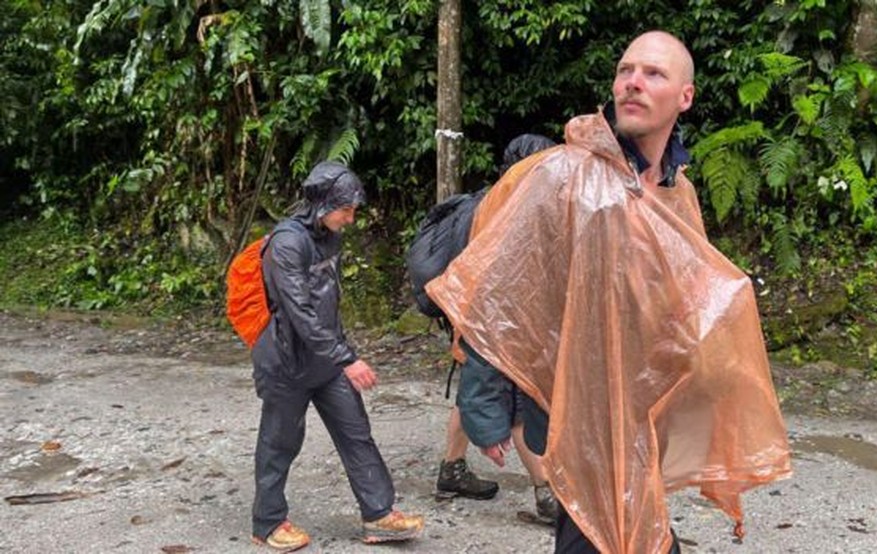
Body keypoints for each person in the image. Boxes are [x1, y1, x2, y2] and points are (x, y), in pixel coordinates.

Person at [426, 31, 792, 554]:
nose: (632, 83)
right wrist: (483, 407)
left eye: (653, 73)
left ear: (685, 97)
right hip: (579, 414)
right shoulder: (564, 177)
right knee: (601, 532)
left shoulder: (678, 190)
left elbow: (682, 299)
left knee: (635, 529)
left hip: (644, 408)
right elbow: (500, 292)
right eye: (625, 71)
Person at [250, 161, 424, 551]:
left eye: (353, 210)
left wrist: (341, 354)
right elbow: (300, 313)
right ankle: (267, 523)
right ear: (322, 204)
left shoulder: (330, 238)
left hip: (325, 361)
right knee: (280, 443)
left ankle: (379, 514)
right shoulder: (287, 243)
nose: (350, 218)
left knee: (355, 432)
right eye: (345, 209)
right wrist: (347, 359)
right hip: (286, 363)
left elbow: (328, 304)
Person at [436, 134, 560, 525]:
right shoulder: (510, 208)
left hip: (467, 310)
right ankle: (546, 493)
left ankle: (451, 469)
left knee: (472, 391)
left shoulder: (492, 200)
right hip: (496, 318)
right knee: (518, 404)